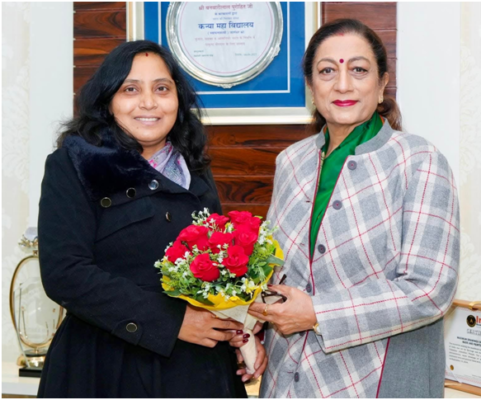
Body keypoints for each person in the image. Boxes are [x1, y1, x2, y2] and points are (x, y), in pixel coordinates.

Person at [37, 40, 266, 398]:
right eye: (130, 89)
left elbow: (217, 270)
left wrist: (238, 330)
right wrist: (173, 322)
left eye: (162, 88)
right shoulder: (74, 164)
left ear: (178, 99)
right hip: (106, 367)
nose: (148, 102)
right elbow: (65, 273)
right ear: (108, 100)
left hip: (197, 370)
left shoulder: (193, 169)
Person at [243, 19, 459, 398]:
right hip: (286, 378)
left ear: (381, 83)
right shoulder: (291, 161)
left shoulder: (419, 161)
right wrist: (250, 322)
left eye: (358, 70)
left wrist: (318, 313)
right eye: (327, 71)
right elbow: (275, 268)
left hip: (380, 380)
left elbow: (429, 289)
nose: (343, 85)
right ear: (311, 86)